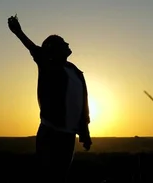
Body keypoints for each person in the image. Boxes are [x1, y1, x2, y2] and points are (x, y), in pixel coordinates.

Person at [7, 14, 92, 183]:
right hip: (51, 133)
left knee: (60, 177)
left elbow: (82, 103)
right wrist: (19, 32)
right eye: (62, 42)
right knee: (47, 178)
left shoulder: (75, 70)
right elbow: (35, 50)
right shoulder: (49, 65)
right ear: (53, 50)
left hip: (69, 135)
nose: (67, 44)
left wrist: (85, 131)